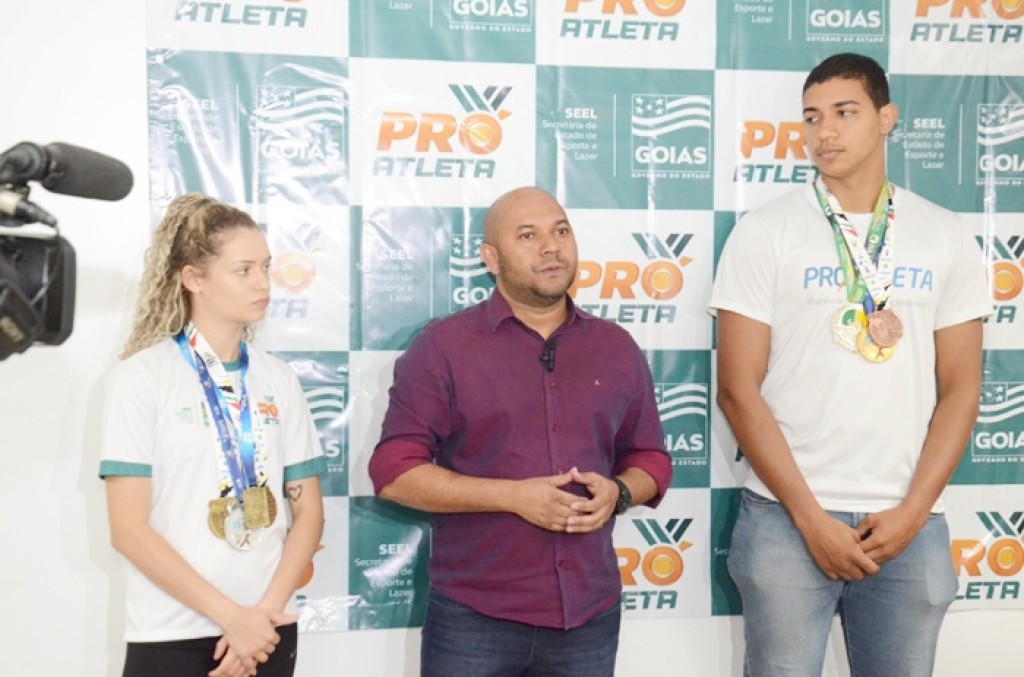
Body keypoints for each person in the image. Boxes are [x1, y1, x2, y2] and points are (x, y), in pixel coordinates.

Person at [710, 52, 993, 676]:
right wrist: (810, 519)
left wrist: (913, 513)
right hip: (785, 519)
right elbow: (736, 389)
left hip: (907, 521)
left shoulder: (945, 234)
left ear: (887, 118)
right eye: (812, 117)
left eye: (844, 112)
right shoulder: (765, 231)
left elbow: (962, 389)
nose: (825, 132)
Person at [368, 186, 672, 676]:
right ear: (491, 258)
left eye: (561, 231)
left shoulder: (616, 347)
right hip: (474, 618)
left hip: (589, 617)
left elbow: (651, 459)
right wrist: (513, 497)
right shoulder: (443, 347)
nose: (551, 247)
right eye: (528, 236)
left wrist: (618, 493)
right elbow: (394, 472)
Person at [98, 194, 326, 677]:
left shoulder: (278, 378)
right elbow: (128, 530)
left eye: (265, 267)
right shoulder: (141, 378)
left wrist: (262, 616)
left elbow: (308, 512)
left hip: (268, 629)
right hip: (172, 633)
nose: (262, 283)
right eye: (243, 270)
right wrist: (232, 619)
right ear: (193, 278)